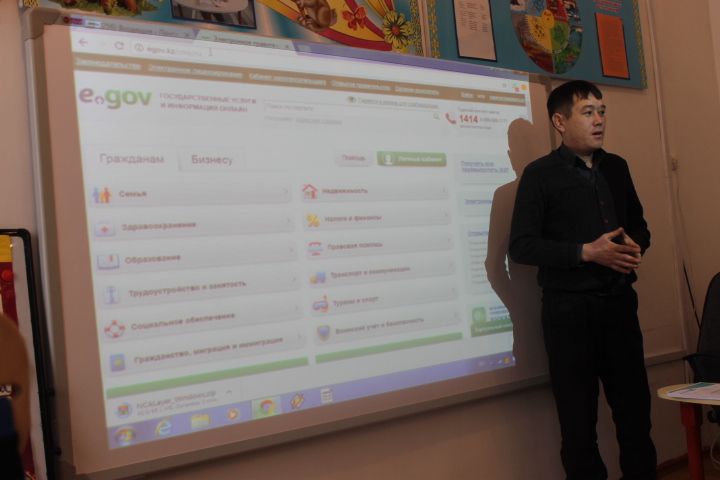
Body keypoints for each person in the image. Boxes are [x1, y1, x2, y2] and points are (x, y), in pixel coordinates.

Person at [508, 80, 656, 480]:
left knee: (636, 419)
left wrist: (635, 245)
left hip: (620, 309)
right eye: (587, 112)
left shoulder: (616, 167)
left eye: (601, 111)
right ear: (560, 122)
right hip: (569, 315)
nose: (598, 120)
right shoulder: (539, 175)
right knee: (578, 427)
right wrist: (586, 252)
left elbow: (640, 227)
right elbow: (521, 247)